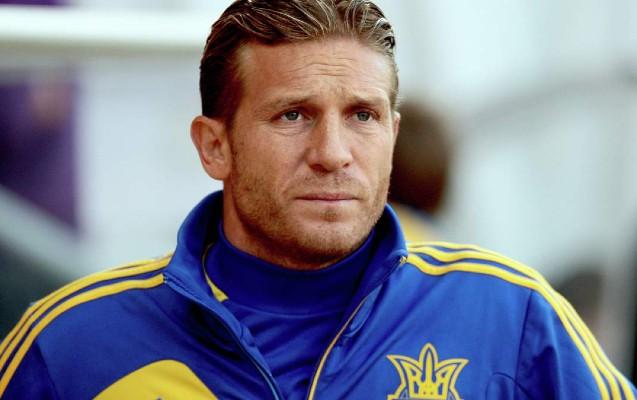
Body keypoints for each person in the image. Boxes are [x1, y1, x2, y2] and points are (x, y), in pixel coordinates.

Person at [0, 0, 635, 398]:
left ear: (392, 135)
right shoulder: (68, 346)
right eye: (293, 115)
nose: (333, 152)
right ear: (214, 146)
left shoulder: (512, 318)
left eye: (362, 115)